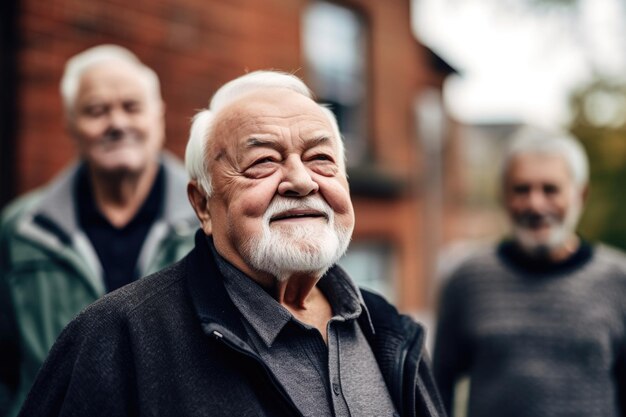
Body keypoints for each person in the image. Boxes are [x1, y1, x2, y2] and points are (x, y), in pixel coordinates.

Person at [16, 70, 445, 417]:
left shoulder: (387, 329)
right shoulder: (117, 336)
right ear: (203, 205)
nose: (300, 181)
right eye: (262, 162)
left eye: (321, 159)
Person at [0, 45, 196, 416]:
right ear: (70, 123)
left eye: (132, 107)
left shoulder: (210, 221)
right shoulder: (21, 229)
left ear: (159, 116)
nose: (117, 123)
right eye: (96, 110)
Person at [432, 127, 626, 417]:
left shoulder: (618, 280)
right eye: (521, 189)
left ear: (580, 195)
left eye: (550, 189)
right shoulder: (468, 279)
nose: (535, 204)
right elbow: (437, 389)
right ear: (503, 196)